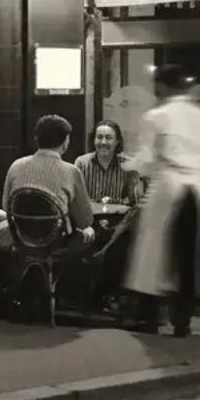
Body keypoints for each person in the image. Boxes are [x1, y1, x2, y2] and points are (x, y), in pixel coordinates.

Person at [124, 64, 200, 337]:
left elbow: (145, 159)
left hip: (167, 186)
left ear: (162, 87)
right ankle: (183, 320)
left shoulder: (156, 116)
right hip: (197, 188)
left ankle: (150, 318)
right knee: (187, 255)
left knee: (152, 253)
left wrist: (130, 164)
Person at [2, 115, 96, 258]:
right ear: (65, 143)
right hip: (58, 241)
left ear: (36, 140)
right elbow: (86, 220)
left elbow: (6, 207)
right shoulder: (71, 171)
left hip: (22, 238)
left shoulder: (16, 166)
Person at [74, 120, 144, 311]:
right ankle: (90, 296)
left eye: (108, 138)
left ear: (117, 142)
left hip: (119, 224)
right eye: (99, 137)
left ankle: (112, 293)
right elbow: (76, 199)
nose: (103, 142)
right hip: (89, 221)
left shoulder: (129, 166)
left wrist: (112, 202)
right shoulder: (81, 163)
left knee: (122, 238)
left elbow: (137, 202)